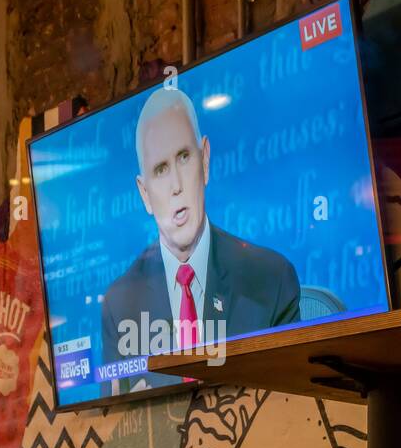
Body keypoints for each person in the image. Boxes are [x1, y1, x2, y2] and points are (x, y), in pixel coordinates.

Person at [101, 86, 300, 367]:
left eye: (183, 157)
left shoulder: (272, 278)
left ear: (204, 160)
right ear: (144, 194)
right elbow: (120, 409)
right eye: (160, 170)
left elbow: (292, 404)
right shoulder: (120, 305)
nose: (176, 186)